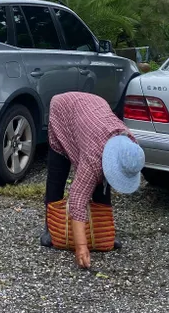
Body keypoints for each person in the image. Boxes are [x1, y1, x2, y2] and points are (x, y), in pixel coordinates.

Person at [43, 91, 145, 269]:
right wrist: (81, 248)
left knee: (102, 184)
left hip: (94, 111)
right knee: (57, 176)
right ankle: (50, 229)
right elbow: (77, 201)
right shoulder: (93, 158)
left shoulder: (130, 144)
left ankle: (101, 232)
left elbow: (106, 177)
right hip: (64, 110)